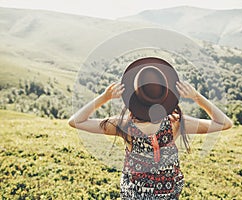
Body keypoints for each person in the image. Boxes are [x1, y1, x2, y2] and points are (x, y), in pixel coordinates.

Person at [68, 57, 233, 199]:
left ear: (134, 96)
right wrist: (197, 97)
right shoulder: (175, 123)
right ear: (165, 96)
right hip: (168, 195)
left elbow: (76, 121)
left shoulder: (123, 125)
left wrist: (104, 97)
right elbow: (224, 123)